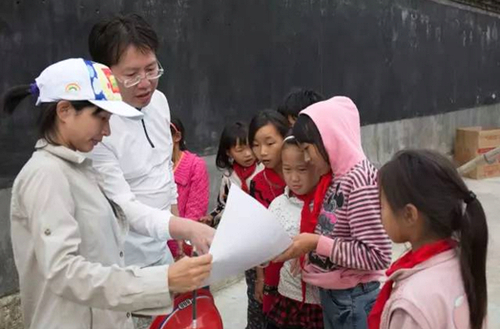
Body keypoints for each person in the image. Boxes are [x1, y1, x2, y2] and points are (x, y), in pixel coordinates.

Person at [2, 58, 213, 329]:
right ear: (64, 110)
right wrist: (165, 280)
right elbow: (64, 271)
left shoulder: (82, 169)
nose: (107, 130)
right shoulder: (46, 175)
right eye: (100, 117)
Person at [87, 13, 214, 268]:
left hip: (160, 247)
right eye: (132, 74)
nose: (145, 83)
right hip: (121, 260)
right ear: (105, 74)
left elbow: (164, 165)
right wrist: (185, 228)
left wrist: (174, 215)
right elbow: (123, 206)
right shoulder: (96, 128)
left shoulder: (159, 102)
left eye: (151, 69)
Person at [275, 96, 392, 329]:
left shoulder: (358, 181)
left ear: (330, 138)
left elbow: (377, 255)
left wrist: (316, 243)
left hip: (353, 300)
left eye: (308, 150)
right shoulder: (337, 175)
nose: (307, 158)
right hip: (337, 297)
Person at [368, 149, 488, 329]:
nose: (379, 214)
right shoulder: (463, 261)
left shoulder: (411, 302)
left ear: (409, 214)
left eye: (382, 205)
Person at [266, 136, 329, 329]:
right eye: (287, 169)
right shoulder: (278, 205)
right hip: (288, 296)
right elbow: (266, 249)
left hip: (322, 301)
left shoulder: (330, 205)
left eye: (302, 169)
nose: (294, 178)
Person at [247, 110, 289, 329]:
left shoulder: (308, 175)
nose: (262, 152)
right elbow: (259, 234)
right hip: (273, 270)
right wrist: (260, 278)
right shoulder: (258, 183)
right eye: (255, 145)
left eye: (270, 143)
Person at [202, 121, 262, 228]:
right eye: (240, 150)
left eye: (251, 147)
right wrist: (211, 218)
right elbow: (222, 206)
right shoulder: (228, 177)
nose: (248, 154)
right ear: (228, 152)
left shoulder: (263, 169)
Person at [168, 116, 210, 258]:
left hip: (184, 249)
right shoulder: (150, 166)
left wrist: (180, 248)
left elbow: (195, 211)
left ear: (177, 136)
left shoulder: (195, 165)